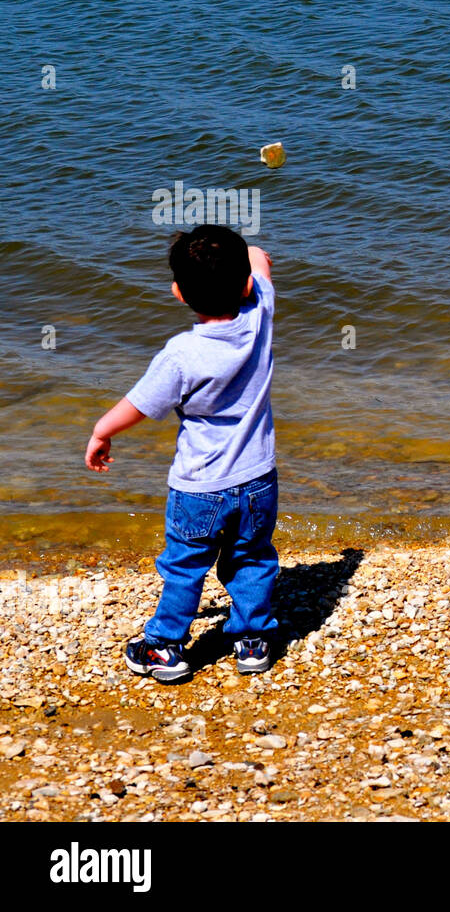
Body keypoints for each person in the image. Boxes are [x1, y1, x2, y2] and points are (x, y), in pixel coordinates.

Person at [85, 225, 279, 682]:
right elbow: (259, 259)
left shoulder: (181, 354)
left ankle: (164, 648)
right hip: (258, 478)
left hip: (199, 488)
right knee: (252, 557)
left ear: (178, 293)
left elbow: (138, 406)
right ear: (247, 285)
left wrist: (101, 430)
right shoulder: (260, 314)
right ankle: (253, 641)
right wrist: (247, 253)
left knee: (185, 567)